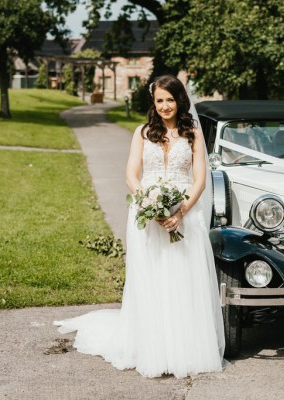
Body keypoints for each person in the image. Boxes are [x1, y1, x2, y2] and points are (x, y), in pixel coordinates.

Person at [55, 75, 225, 378]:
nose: (164, 106)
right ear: (153, 102)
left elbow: (200, 179)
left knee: (183, 280)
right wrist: (149, 204)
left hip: (184, 215)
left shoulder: (193, 134)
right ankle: (152, 346)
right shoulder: (143, 132)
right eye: (159, 100)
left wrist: (180, 212)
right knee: (152, 278)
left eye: (170, 100)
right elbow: (131, 175)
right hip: (148, 217)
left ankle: (184, 348)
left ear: (180, 100)